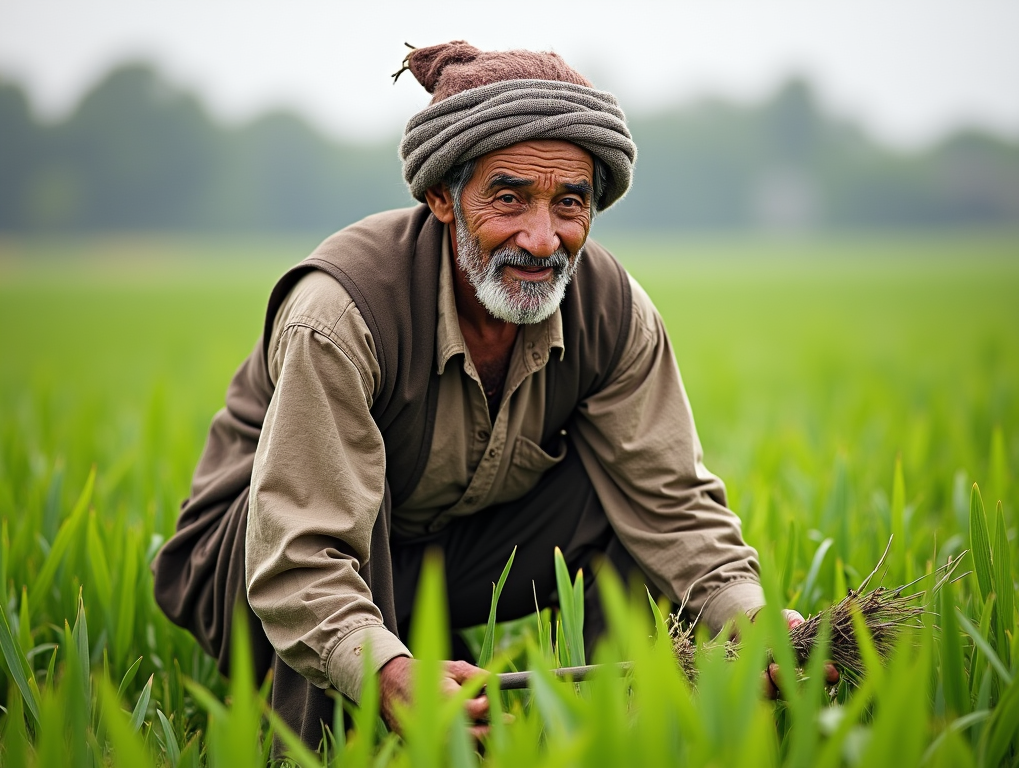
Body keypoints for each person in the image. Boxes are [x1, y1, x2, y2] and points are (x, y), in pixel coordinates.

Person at [152, 40, 828, 748]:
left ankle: (625, 733)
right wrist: (385, 671)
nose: (542, 240)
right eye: (509, 199)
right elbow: (300, 550)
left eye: (570, 203)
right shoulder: (342, 314)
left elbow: (673, 502)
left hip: (440, 550)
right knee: (357, 514)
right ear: (442, 196)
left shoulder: (610, 311)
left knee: (616, 507)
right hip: (260, 558)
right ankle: (315, 748)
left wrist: (749, 616)